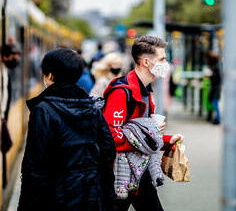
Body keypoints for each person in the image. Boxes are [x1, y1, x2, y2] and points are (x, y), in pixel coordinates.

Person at [18, 48, 116, 211]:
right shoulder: (91, 107)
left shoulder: (43, 110)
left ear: (49, 76)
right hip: (91, 194)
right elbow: (108, 150)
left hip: (55, 197)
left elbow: (35, 164)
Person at [103, 35, 184, 211]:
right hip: (120, 173)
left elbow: (142, 134)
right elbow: (112, 136)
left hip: (139, 170)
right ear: (146, 62)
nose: (166, 63)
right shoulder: (122, 92)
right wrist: (151, 139)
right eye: (162, 59)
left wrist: (166, 140)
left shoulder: (145, 91)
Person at [0, 42, 21, 187]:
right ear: (6, 57)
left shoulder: (5, 69)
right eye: (14, 56)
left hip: (2, 116)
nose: (16, 60)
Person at [206, 51, 222, 125]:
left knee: (215, 103)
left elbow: (217, 78)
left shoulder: (216, 66)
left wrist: (211, 76)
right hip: (215, 88)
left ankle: (218, 119)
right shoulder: (216, 66)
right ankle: (216, 118)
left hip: (216, 88)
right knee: (214, 103)